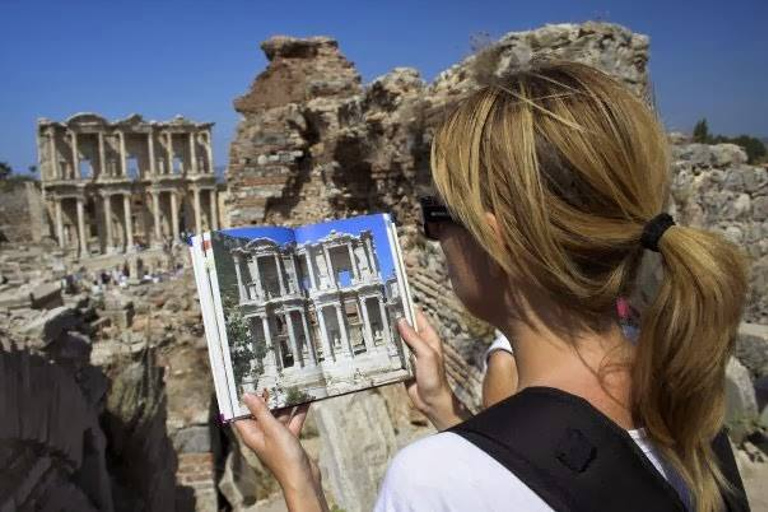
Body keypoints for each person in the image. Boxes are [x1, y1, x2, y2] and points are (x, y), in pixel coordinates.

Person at [232, 62, 749, 512]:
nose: (434, 237)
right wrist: (443, 409)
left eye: (437, 215)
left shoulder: (431, 484)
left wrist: (300, 483)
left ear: (495, 240)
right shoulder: (689, 408)